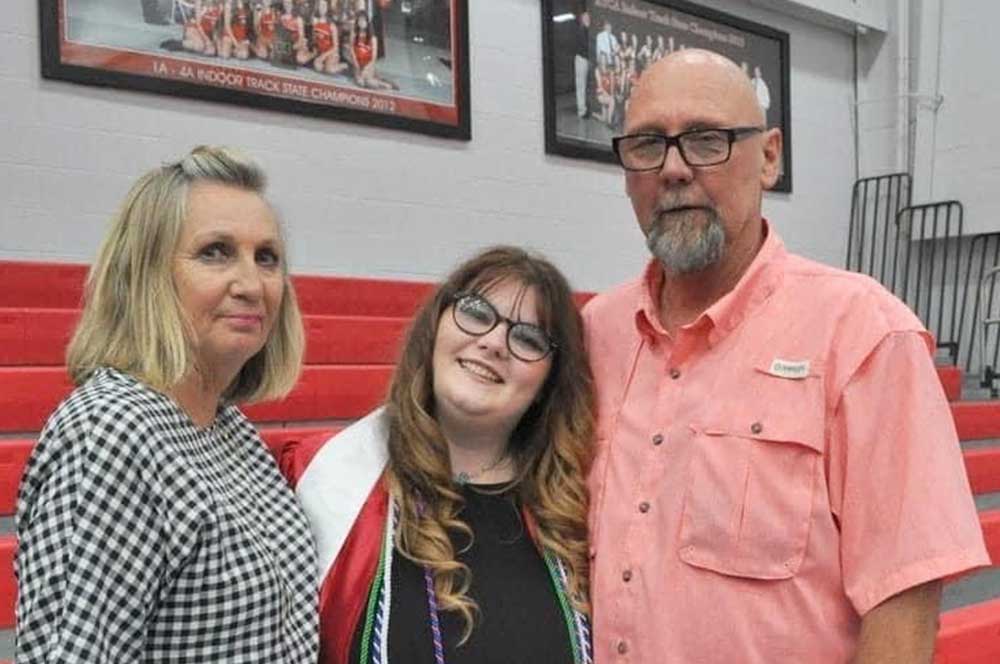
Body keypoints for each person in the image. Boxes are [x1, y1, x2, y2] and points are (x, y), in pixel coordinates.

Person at [586, 49, 990, 663]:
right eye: (646, 145)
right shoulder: (597, 333)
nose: (673, 169)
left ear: (769, 157)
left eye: (705, 139)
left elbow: (903, 611)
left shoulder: (863, 335)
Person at [14, 146, 319, 662]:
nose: (252, 285)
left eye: (266, 257)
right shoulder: (111, 429)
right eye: (215, 252)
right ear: (146, 275)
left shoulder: (228, 427)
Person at [282, 246, 595, 664]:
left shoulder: (579, 515)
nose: (494, 342)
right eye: (477, 313)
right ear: (436, 327)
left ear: (547, 384)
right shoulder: (319, 476)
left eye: (528, 338)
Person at [349, 10, 397, 90]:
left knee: (369, 82)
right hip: (357, 64)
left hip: (368, 65)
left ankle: (386, 85)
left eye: (364, 20)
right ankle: (378, 80)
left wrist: (367, 68)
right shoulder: (354, 34)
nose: (362, 22)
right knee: (360, 82)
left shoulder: (373, 38)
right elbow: (351, 50)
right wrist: (356, 64)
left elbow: (373, 57)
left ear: (367, 22)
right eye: (360, 20)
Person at [573, 9, 591, 119]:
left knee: (586, 86)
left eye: (588, 17)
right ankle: (581, 111)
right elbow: (584, 46)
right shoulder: (581, 31)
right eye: (585, 18)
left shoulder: (588, 31)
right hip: (581, 59)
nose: (588, 19)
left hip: (587, 60)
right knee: (581, 85)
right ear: (582, 19)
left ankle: (585, 108)